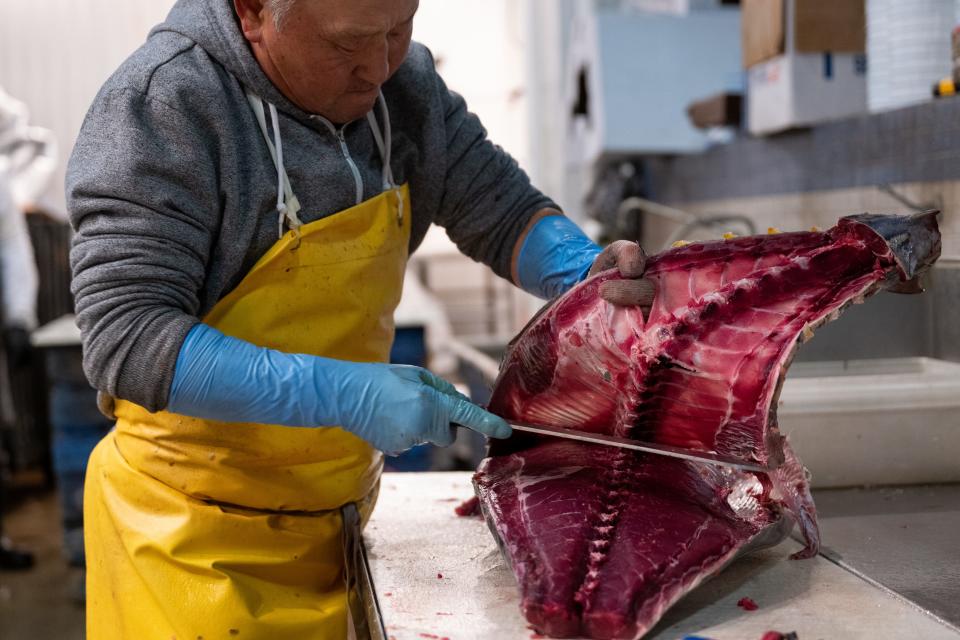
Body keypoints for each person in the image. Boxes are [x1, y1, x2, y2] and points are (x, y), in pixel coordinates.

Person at [67, 0, 653, 637]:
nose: (378, 67)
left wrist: (578, 269)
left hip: (337, 521)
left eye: (399, 29)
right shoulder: (164, 105)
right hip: (185, 538)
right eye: (348, 44)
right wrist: (338, 393)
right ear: (254, 12)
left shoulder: (405, 88)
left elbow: (501, 207)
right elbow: (125, 336)